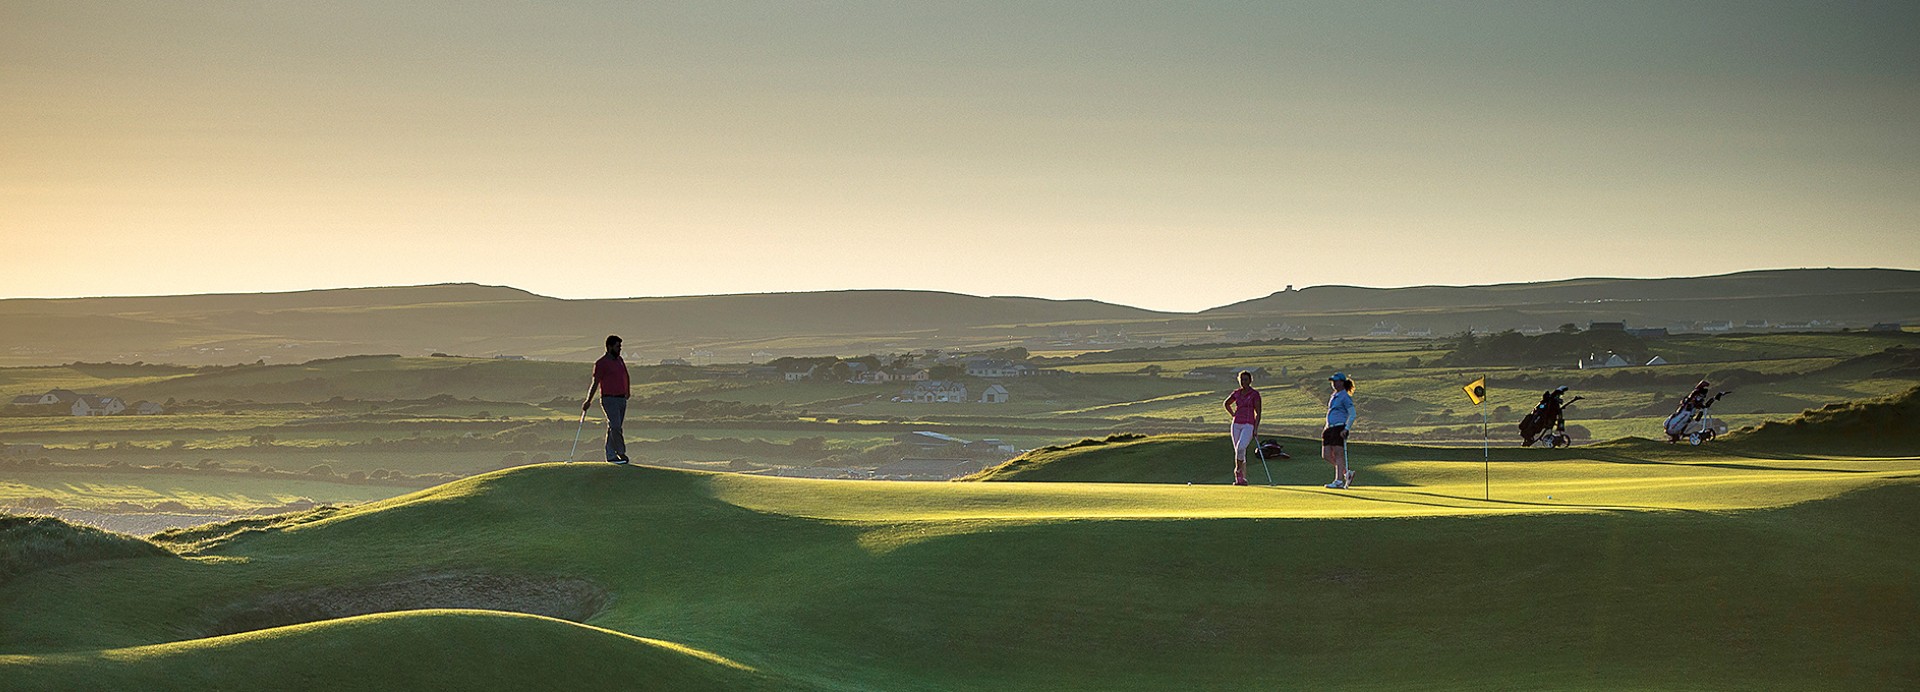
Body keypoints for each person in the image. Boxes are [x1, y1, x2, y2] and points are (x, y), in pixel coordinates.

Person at [582, 335, 631, 464]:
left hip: (621, 399)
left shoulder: (620, 360)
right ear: (609, 347)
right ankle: (620, 452)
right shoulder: (601, 363)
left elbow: (626, 376)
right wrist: (588, 400)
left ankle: (610, 455)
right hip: (609, 399)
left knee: (614, 427)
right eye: (617, 346)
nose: (620, 349)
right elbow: (595, 383)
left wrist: (627, 391)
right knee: (615, 427)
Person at [1222, 370, 1262, 486]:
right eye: (1241, 380)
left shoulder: (1255, 394)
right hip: (1236, 424)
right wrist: (1232, 414)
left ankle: (1237, 471)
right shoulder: (1237, 393)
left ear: (1250, 380)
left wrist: (1256, 429)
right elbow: (1226, 403)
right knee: (1239, 451)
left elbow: (1258, 413)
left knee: (1241, 447)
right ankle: (1241, 479)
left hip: (1248, 424)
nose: (1243, 382)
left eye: (1245, 379)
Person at [1323, 373, 1356, 489]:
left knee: (1338, 454)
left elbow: (1352, 414)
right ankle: (1346, 473)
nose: (1334, 383)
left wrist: (1346, 429)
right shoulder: (1334, 395)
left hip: (1339, 427)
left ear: (1342, 382)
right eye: (1333, 381)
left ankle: (1338, 481)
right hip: (1329, 427)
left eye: (1336, 381)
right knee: (1326, 455)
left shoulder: (1345, 397)